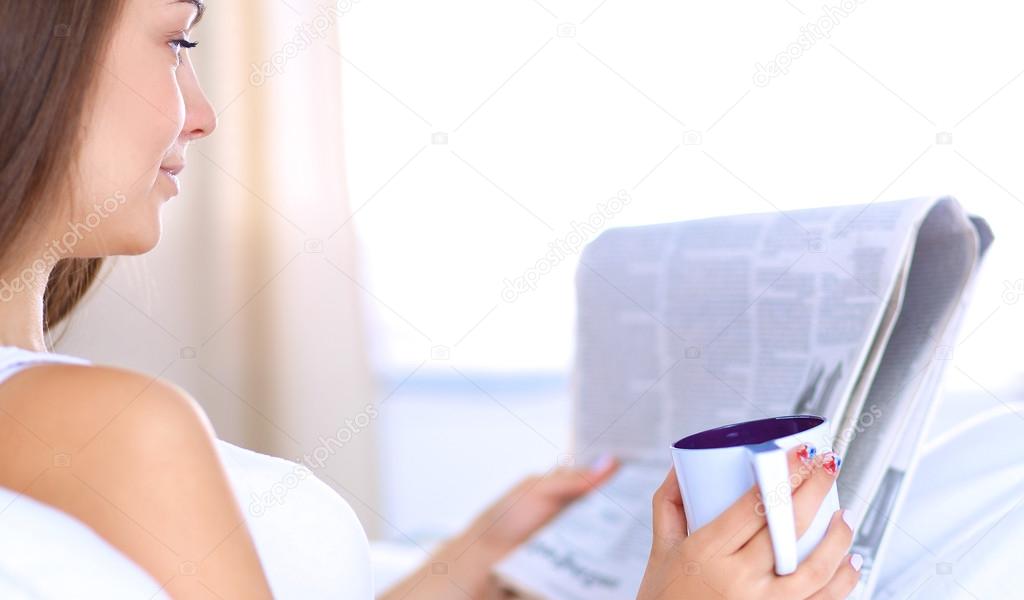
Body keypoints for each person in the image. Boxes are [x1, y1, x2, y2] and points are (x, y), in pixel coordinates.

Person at [0, 1, 859, 597]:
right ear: (36, 50)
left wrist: (468, 563)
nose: (202, 115)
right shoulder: (106, 424)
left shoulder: (66, 413)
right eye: (177, 43)